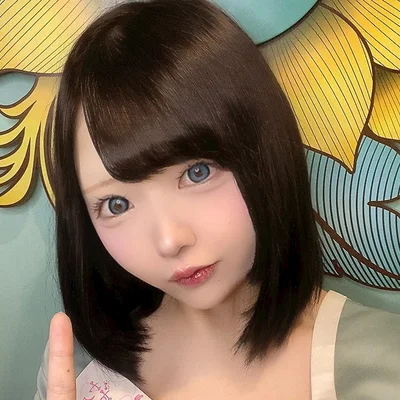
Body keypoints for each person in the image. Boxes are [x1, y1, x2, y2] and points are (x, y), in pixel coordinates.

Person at [35, 0, 400, 399]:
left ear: (264, 150)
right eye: (116, 205)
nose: (169, 240)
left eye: (197, 173)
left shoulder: (384, 366)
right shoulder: (75, 370)